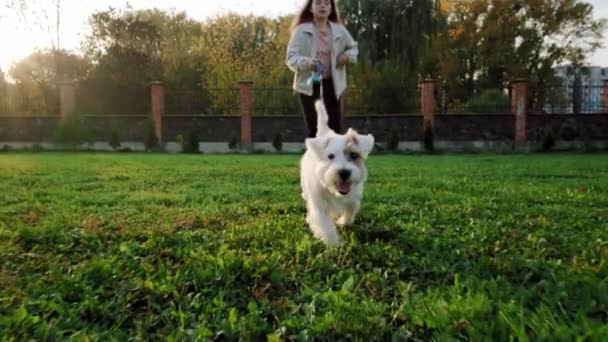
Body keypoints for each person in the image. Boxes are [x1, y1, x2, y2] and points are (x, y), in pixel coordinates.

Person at [286, 0, 358, 137]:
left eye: (327, 3)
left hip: (333, 81)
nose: (323, 6)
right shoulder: (301, 31)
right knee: (314, 127)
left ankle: (335, 158)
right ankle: (316, 157)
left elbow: (353, 48)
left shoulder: (340, 31)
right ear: (311, 8)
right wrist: (307, 62)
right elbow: (291, 58)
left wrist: (347, 56)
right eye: (318, 3)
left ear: (331, 9)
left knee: (335, 126)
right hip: (310, 81)